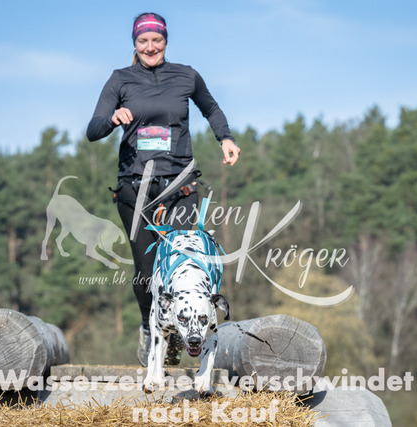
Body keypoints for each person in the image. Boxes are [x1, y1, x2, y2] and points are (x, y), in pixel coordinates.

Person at [86, 12, 240, 367]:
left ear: (166, 41)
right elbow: (93, 129)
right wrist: (112, 119)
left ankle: (186, 332)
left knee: (186, 263)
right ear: (135, 44)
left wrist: (226, 138)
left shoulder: (186, 76)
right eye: (143, 41)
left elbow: (211, 108)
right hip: (135, 187)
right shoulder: (120, 79)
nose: (150, 47)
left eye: (156, 40)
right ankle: (149, 325)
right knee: (146, 272)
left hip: (179, 186)